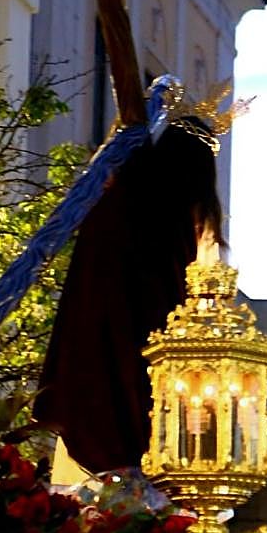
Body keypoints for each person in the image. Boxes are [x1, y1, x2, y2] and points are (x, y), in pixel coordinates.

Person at [34, 109, 224, 474]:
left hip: (91, 358)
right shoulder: (166, 222)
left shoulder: (118, 198)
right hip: (135, 367)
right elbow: (166, 309)